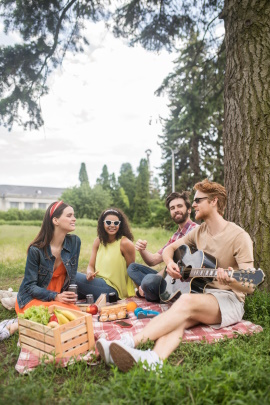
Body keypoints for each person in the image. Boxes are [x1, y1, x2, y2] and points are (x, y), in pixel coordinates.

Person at [96, 179, 255, 371]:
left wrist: (230, 278)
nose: (193, 205)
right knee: (179, 318)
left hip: (229, 300)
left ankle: (128, 342)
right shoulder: (199, 233)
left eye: (198, 200)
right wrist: (170, 263)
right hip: (202, 295)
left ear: (214, 201)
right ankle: (155, 359)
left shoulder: (239, 236)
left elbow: (250, 284)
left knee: (185, 302)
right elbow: (168, 250)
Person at [127, 191, 197, 302]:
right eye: (172, 208)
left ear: (189, 209)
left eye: (179, 206)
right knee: (132, 268)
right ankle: (152, 292)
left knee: (149, 281)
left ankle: (150, 292)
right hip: (169, 277)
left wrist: (159, 275)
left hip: (183, 280)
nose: (176, 210)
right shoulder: (176, 235)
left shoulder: (196, 230)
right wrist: (142, 250)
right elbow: (153, 260)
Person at [15, 201, 81, 314]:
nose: (74, 218)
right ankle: (13, 325)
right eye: (69, 215)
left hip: (57, 298)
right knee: (57, 314)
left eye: (73, 215)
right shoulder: (36, 250)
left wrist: (69, 298)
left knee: (74, 312)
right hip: (33, 299)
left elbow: (72, 278)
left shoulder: (75, 242)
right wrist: (55, 296)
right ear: (55, 220)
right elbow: (30, 287)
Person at [76, 208, 135, 301]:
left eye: (116, 223)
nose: (112, 225)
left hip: (113, 290)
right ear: (102, 223)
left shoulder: (125, 243)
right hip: (97, 284)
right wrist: (89, 273)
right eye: (108, 222)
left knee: (70, 275)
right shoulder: (98, 241)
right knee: (69, 288)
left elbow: (133, 270)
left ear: (120, 225)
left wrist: (138, 290)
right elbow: (90, 266)